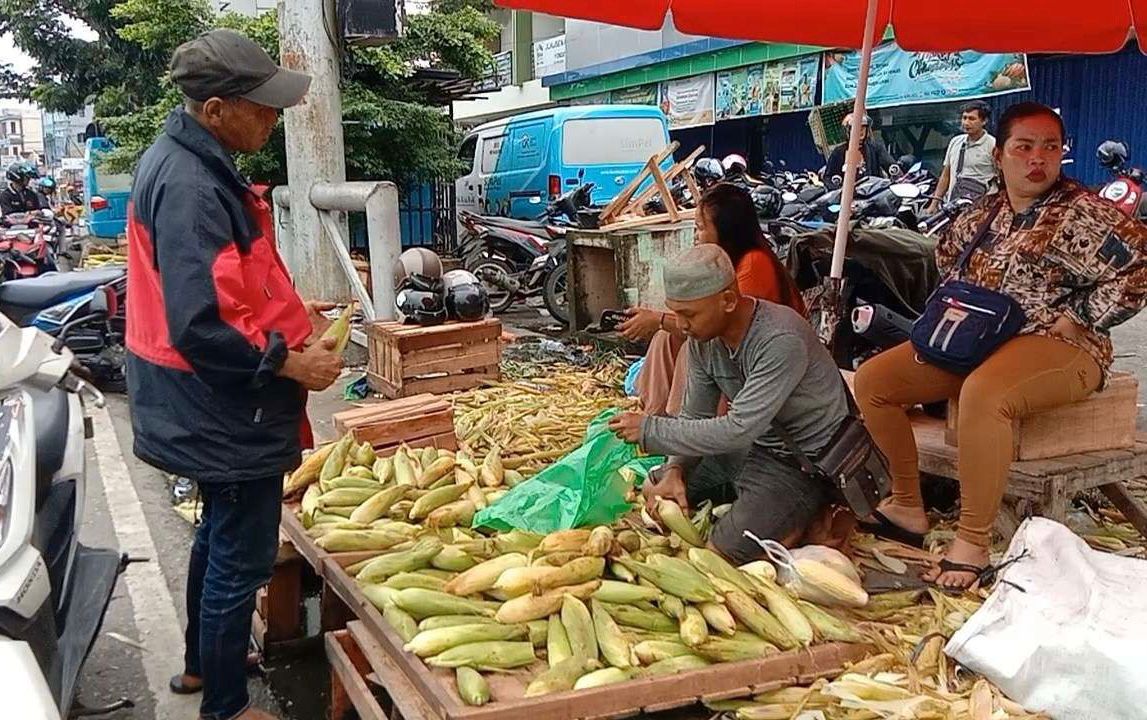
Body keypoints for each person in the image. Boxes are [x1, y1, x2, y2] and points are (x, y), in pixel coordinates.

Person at [125, 29, 341, 720]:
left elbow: (225, 288)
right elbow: (199, 322)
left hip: (197, 399)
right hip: (221, 403)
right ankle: (225, 704)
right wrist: (288, 359)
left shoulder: (193, 163)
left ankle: (200, 664)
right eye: (262, 107)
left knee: (219, 535)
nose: (272, 120)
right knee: (240, 559)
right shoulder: (192, 184)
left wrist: (288, 308)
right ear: (216, 109)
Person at [854, 102, 1147, 591]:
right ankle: (907, 504)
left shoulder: (1087, 212)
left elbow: (1139, 269)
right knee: (874, 381)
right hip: (980, 340)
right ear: (1001, 156)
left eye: (1050, 147)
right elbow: (945, 260)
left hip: (1063, 347)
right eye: (1025, 147)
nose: (1039, 158)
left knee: (985, 395)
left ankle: (971, 540)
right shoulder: (981, 214)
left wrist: (1081, 315)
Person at [609, 245, 850, 563]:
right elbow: (695, 415)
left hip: (801, 463)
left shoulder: (780, 338)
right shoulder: (702, 342)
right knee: (657, 487)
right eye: (675, 312)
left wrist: (650, 429)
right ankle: (759, 509)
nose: (679, 325)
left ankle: (809, 514)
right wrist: (675, 469)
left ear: (728, 301)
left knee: (723, 552)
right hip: (753, 450)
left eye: (689, 314)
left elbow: (738, 429)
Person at [626, 183, 806, 415]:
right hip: (736, 350)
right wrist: (661, 322)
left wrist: (659, 319)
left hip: (763, 363)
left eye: (700, 228)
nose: (696, 236)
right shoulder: (728, 263)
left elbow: (728, 325)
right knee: (665, 338)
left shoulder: (753, 264)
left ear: (726, 230)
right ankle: (655, 416)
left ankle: (679, 425)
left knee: (691, 349)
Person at [928, 101, 997, 213]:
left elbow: (1002, 178)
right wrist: (934, 204)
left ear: (984, 121)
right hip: (953, 206)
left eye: (971, 119)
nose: (966, 122)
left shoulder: (992, 145)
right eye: (964, 118)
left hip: (980, 210)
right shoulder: (956, 142)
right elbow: (946, 175)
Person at [824, 113, 896, 182]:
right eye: (856, 128)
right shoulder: (839, 152)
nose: (860, 131)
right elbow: (829, 177)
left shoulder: (875, 148)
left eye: (863, 128)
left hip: (873, 190)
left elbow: (890, 164)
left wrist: (894, 169)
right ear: (848, 131)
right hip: (850, 192)